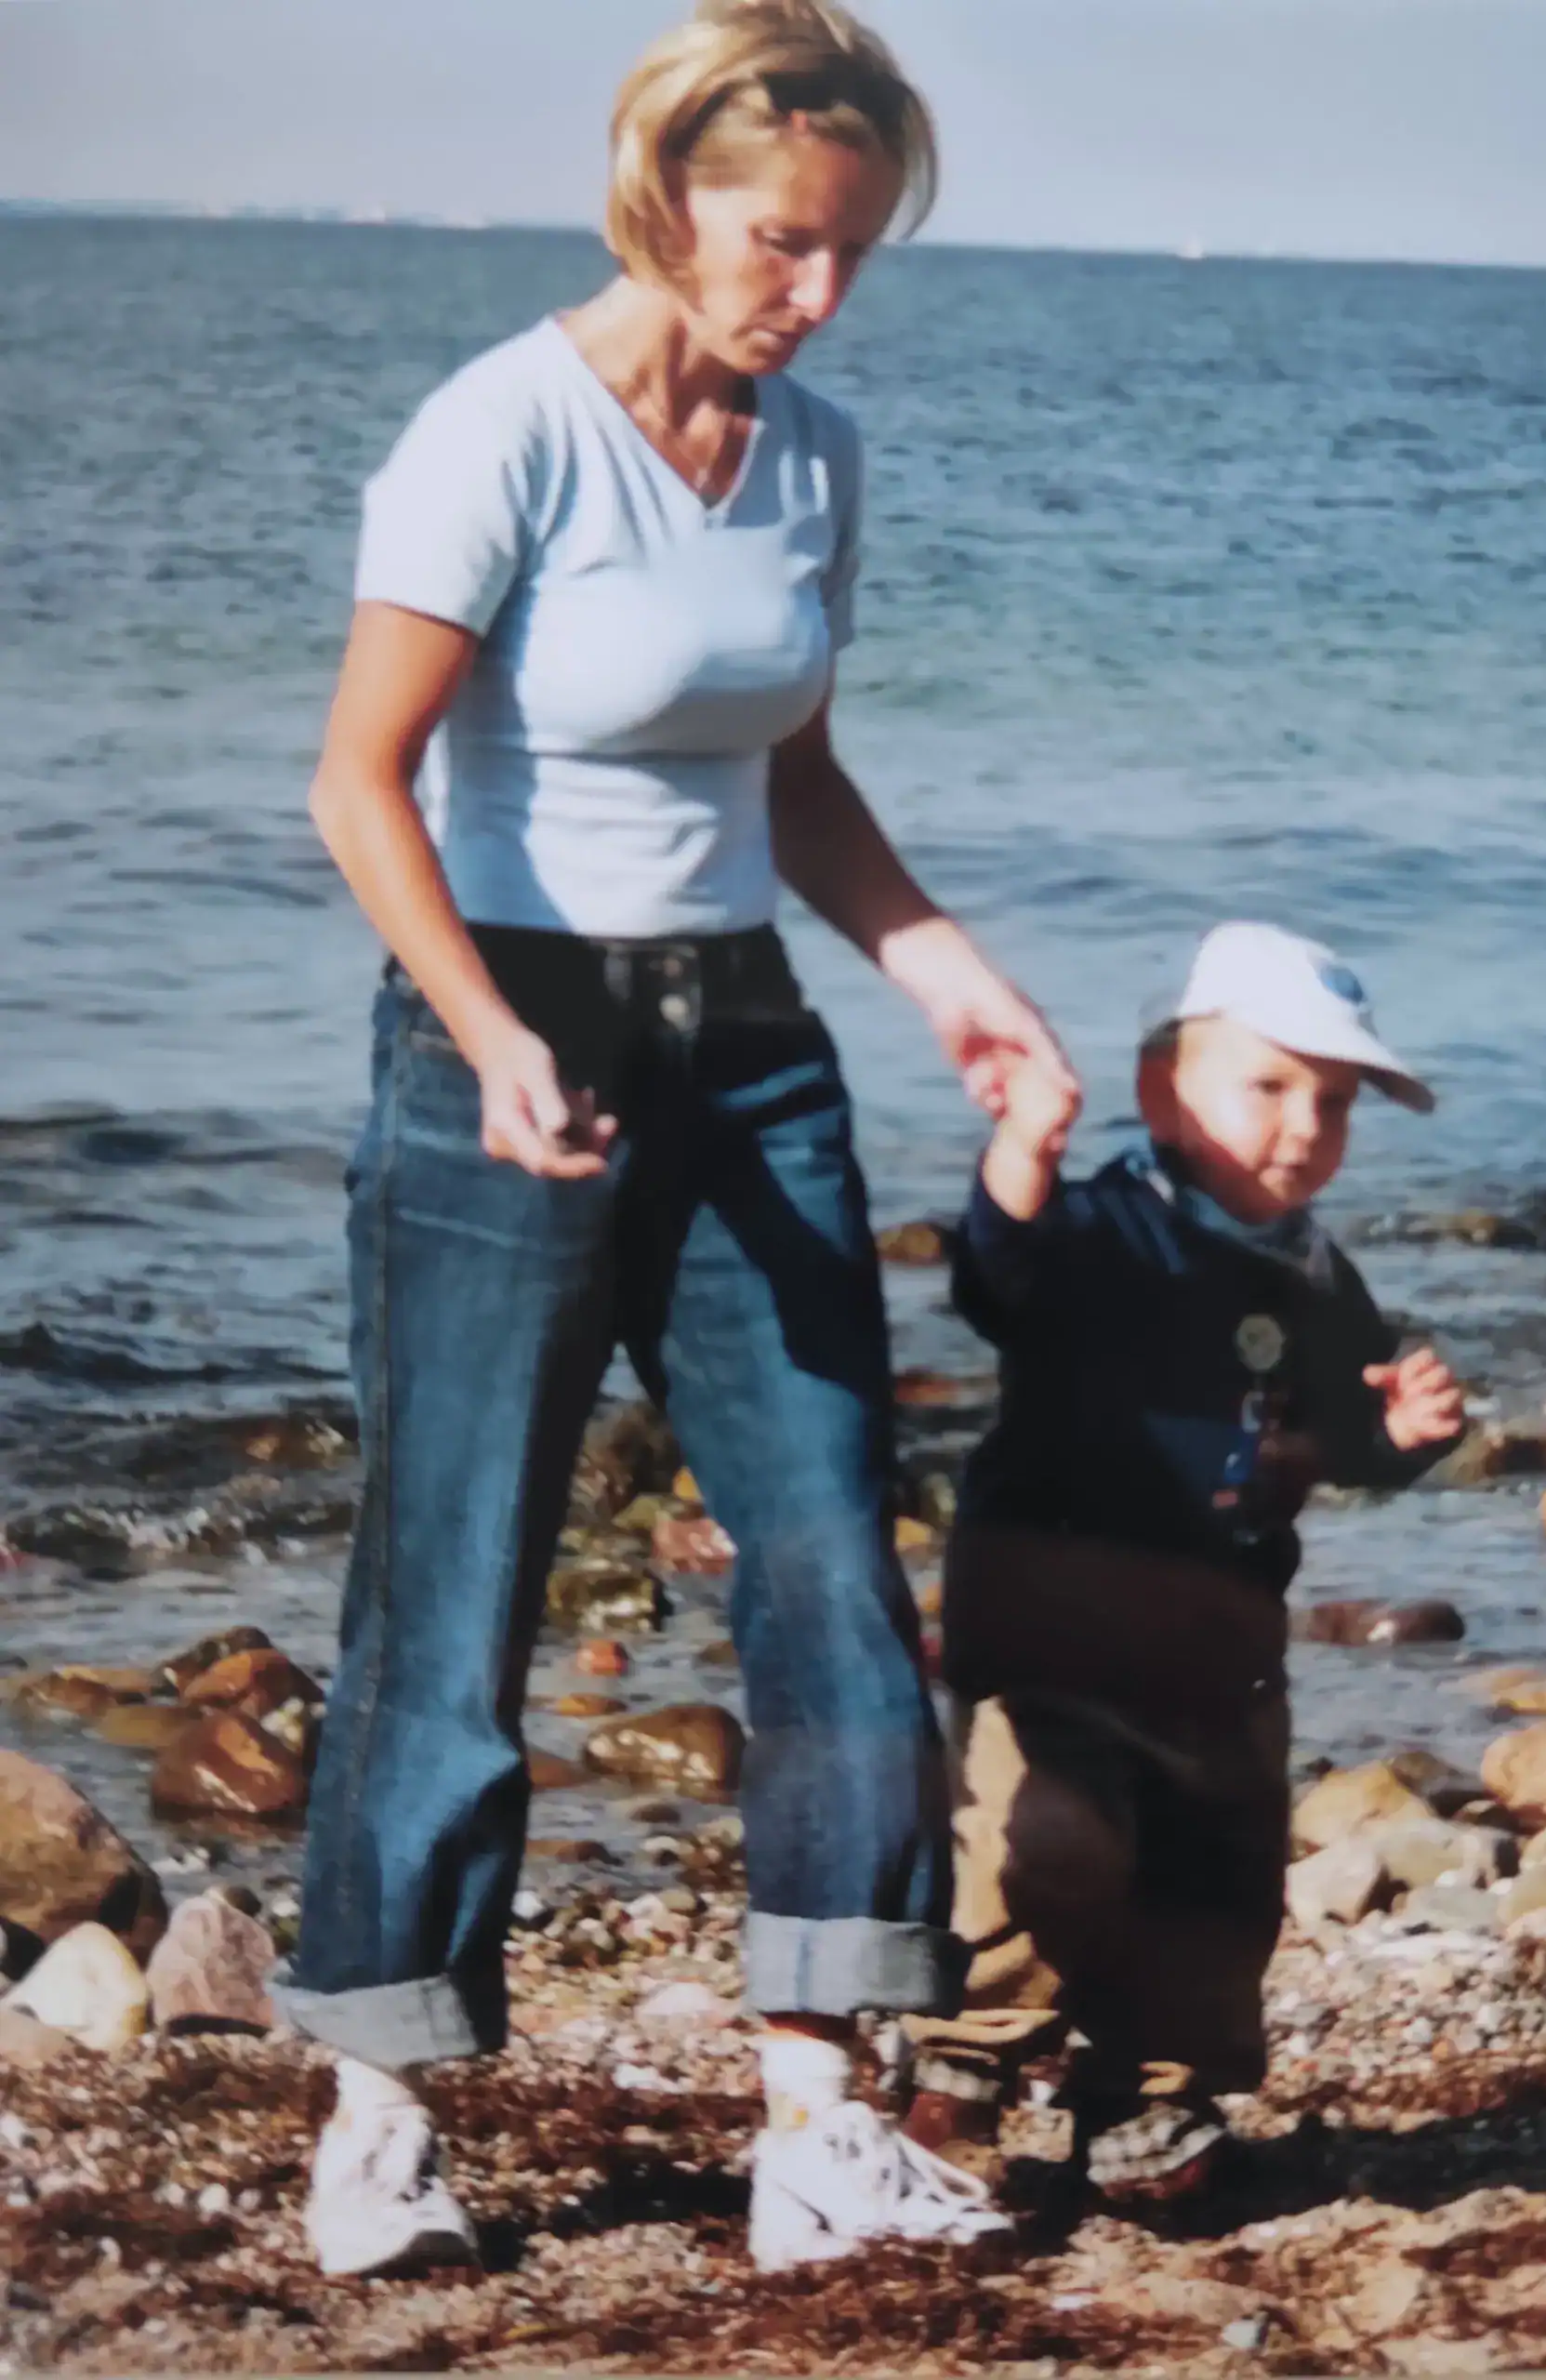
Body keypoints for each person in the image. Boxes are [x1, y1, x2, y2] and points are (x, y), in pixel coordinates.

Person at [272, 0, 1074, 2279]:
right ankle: (382, 2113)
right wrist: (487, 1033)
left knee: (835, 1560)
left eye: (848, 252)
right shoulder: (499, 427)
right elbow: (359, 782)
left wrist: (944, 970)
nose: (808, 290)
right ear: (664, 195)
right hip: (506, 1042)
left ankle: (820, 2114)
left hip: (752, 1048)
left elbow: (790, 775)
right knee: (455, 1583)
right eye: (775, 239)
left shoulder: (813, 455)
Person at [901, 921, 1465, 2198]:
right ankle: (966, 2048)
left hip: (1215, 1644)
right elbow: (998, 1276)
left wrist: (1400, 1434)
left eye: (1331, 1103)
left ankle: (1149, 2099)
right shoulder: (1111, 1228)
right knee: (1042, 1833)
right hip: (1053, 1619)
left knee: (1217, 1876)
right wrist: (1022, 1150)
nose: (1303, 1127)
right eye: (1266, 1087)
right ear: (1164, 1089)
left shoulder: (1317, 1274)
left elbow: (1336, 1430)